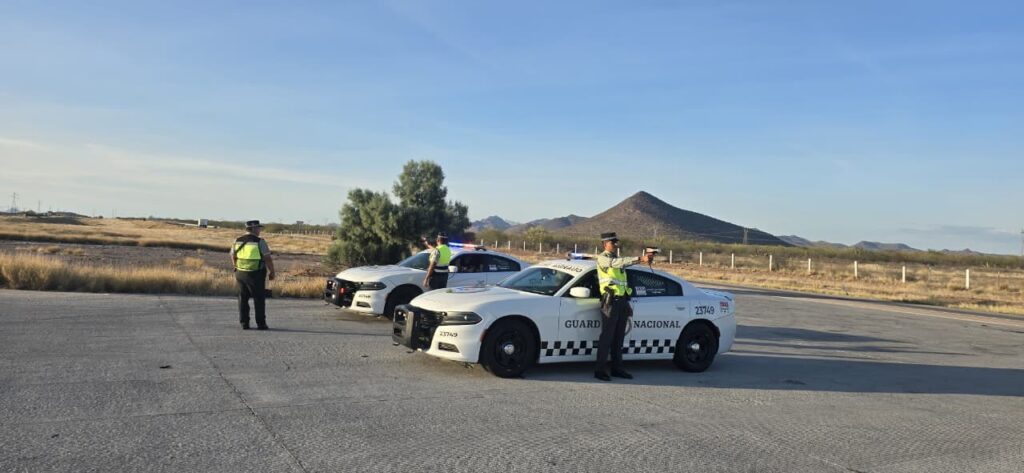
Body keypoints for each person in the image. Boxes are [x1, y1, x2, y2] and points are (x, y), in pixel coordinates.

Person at [594, 231, 650, 381]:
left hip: (622, 302)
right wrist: (639, 259)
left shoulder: (618, 259)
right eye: (613, 242)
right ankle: (599, 370)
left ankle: (617, 369)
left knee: (619, 338)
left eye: (616, 242)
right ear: (604, 244)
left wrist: (626, 302)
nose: (615, 245)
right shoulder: (603, 258)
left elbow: (623, 283)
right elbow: (617, 264)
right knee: (607, 337)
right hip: (610, 302)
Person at [231, 220, 275, 330]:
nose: (260, 230)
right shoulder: (260, 241)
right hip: (256, 273)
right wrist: (272, 272)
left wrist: (235, 266)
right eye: (259, 228)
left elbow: (232, 255)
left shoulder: (237, 240)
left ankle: (244, 323)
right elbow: (268, 258)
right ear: (254, 229)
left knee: (243, 298)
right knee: (258, 299)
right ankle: (261, 324)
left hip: (240, 273)